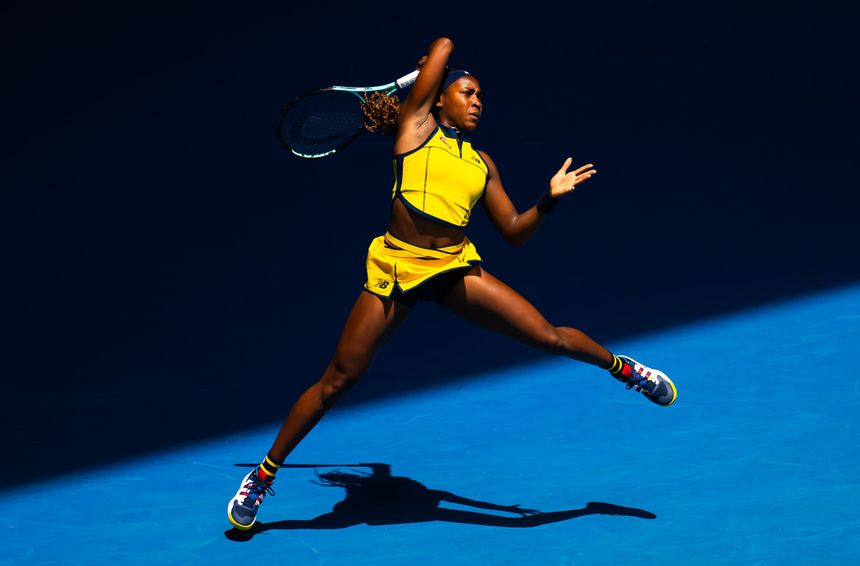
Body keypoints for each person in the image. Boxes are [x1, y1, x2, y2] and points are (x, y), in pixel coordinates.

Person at [227, 37, 677, 531]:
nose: (478, 101)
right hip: (396, 270)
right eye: (466, 92)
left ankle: (624, 369)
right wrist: (424, 73)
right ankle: (262, 475)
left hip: (450, 268)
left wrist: (549, 199)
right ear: (437, 98)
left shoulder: (482, 163)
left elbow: (513, 233)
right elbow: (443, 44)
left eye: (481, 95)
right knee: (338, 380)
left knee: (547, 335)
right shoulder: (414, 128)